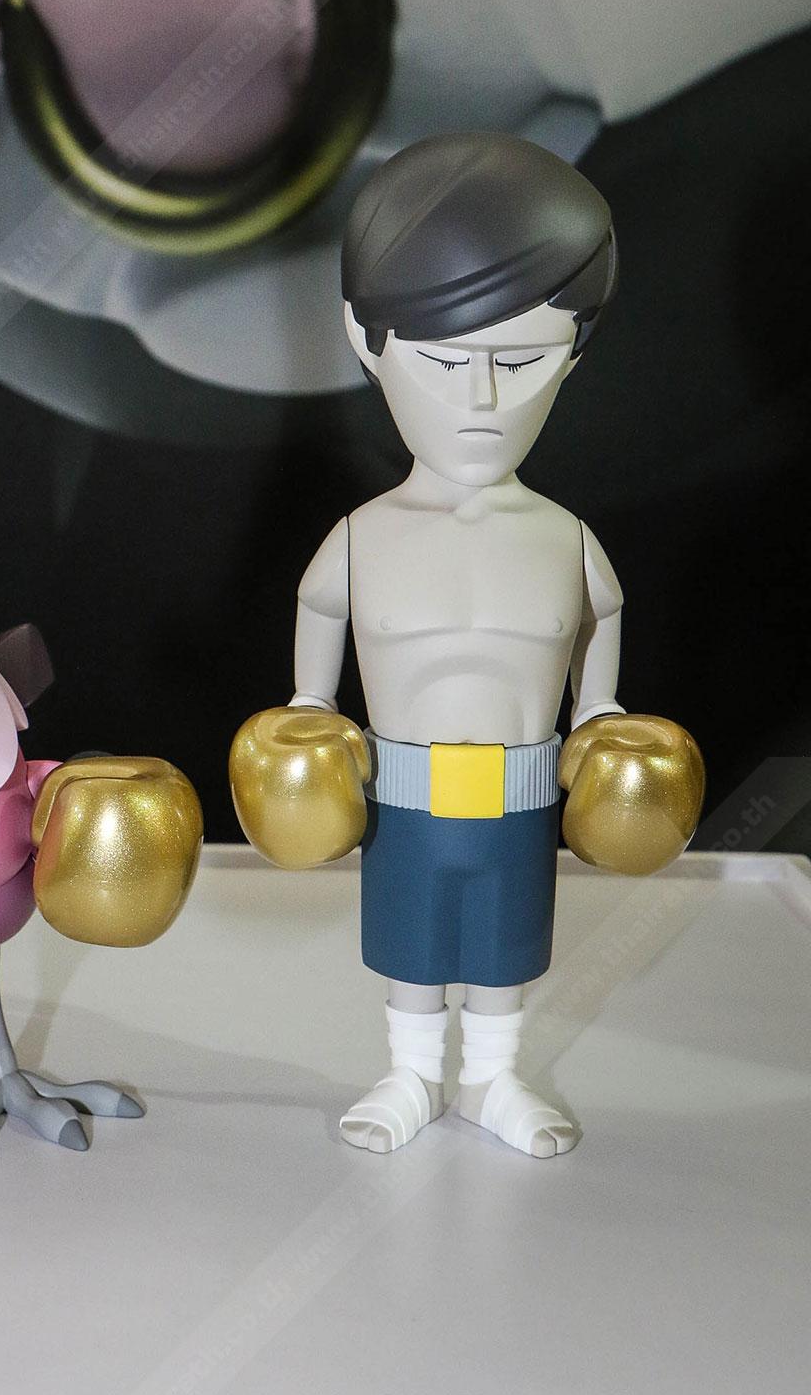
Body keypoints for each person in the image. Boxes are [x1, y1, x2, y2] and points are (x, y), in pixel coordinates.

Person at [230, 131, 703, 1159]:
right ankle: (408, 1074)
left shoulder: (565, 541)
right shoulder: (361, 538)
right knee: (411, 941)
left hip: (522, 794)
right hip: (400, 792)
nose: (481, 401)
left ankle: (491, 1078)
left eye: (520, 359)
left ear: (574, 351)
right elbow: (318, 610)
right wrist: (310, 709)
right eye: (446, 362)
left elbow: (603, 616)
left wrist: (599, 714)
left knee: (501, 948)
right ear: (366, 339)